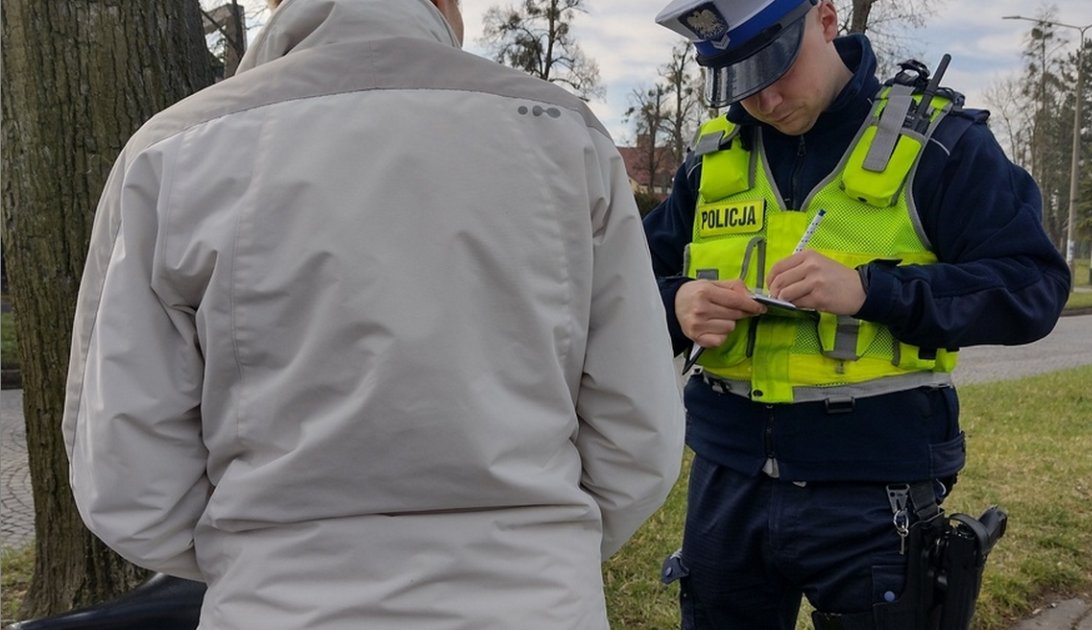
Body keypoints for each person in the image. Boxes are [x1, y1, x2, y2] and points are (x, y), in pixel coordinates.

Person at [60, 0, 685, 628]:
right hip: (537, 603)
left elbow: (125, 474)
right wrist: (542, 551)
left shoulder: (174, 152)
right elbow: (638, 435)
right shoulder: (565, 135)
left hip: (278, 606)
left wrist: (264, 559)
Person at [645, 0, 1071, 628]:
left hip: (876, 494)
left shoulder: (941, 145)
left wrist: (875, 291)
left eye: (773, 65)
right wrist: (675, 302)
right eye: (738, 78)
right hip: (725, 483)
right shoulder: (711, 160)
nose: (761, 99)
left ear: (825, 18)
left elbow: (1033, 286)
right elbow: (625, 287)